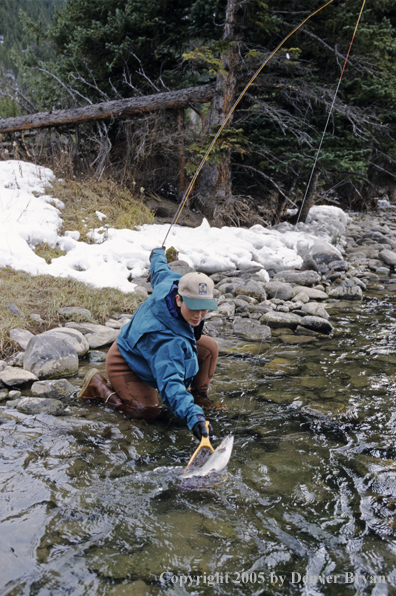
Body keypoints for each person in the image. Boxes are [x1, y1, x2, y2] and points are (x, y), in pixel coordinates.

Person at [78, 247, 219, 440]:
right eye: (194, 308)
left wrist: (157, 254)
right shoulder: (166, 340)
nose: (199, 316)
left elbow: (160, 270)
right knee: (149, 413)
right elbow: (171, 384)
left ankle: (199, 398)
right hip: (127, 361)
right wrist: (192, 417)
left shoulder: (172, 283)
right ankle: (99, 389)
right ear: (179, 299)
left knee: (209, 349)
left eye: (205, 309)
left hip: (149, 348)